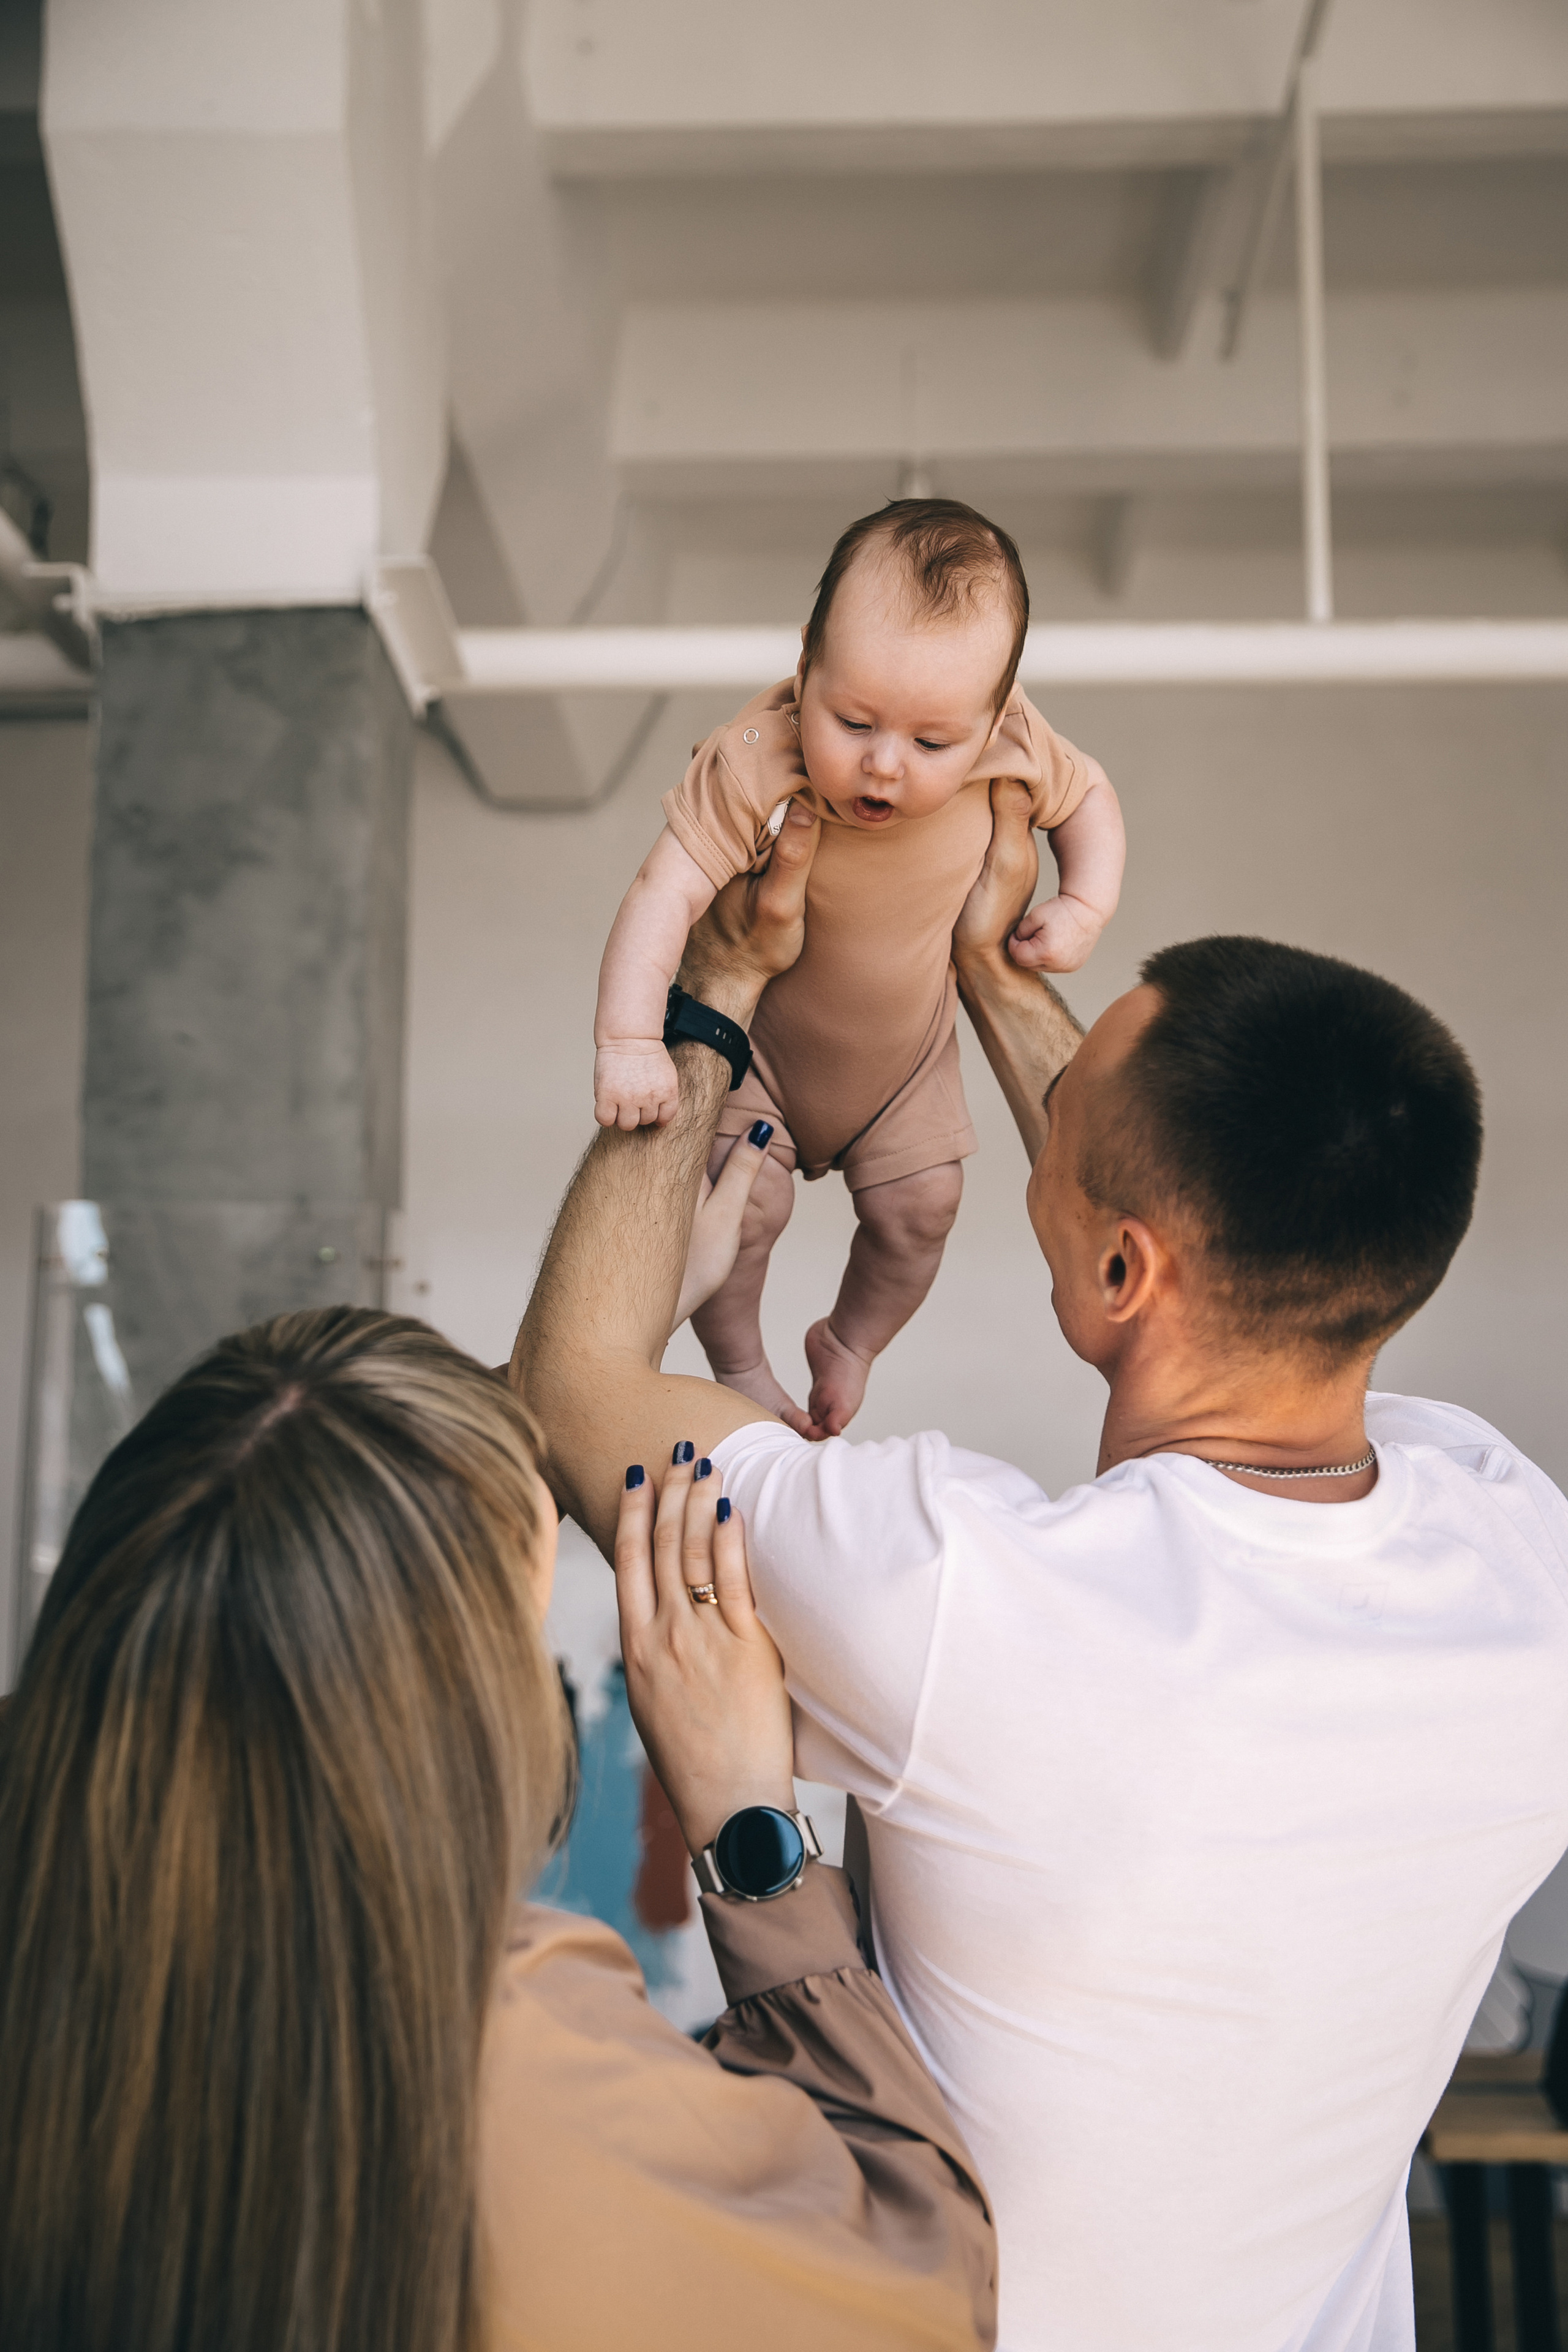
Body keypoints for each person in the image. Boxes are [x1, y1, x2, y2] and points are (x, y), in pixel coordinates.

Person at [517, 784, 1568, 2352]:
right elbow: (1169, 1229)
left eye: (1055, 1139)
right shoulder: (1513, 1545)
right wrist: (995, 974)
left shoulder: (958, 1604)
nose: (1032, 1147)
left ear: (1124, 1263)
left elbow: (569, 1381)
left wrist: (718, 983)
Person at [0, 1306, 997, 2352]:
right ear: (456, 1709)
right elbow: (924, 2287)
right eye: (526, 1641)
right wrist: (750, 1832)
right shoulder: (513, 2059)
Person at [591, 497, 1125, 1438]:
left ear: (994, 714)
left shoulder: (1013, 738)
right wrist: (629, 1039)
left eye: (931, 743)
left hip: (908, 1066)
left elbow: (1090, 800)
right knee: (736, 1216)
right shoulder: (758, 756)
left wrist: (1082, 906)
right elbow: (660, 892)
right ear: (805, 664)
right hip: (764, 1056)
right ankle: (743, 1365)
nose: (883, 765)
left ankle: (852, 1342)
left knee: (925, 1210)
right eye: (853, 720)